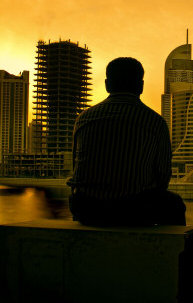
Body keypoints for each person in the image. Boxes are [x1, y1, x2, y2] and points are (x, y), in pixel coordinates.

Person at [67, 57, 186, 226]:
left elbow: (76, 167)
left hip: (85, 208)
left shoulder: (84, 118)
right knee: (174, 203)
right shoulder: (154, 122)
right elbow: (163, 175)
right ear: (141, 85)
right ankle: (174, 251)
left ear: (107, 84)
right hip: (133, 210)